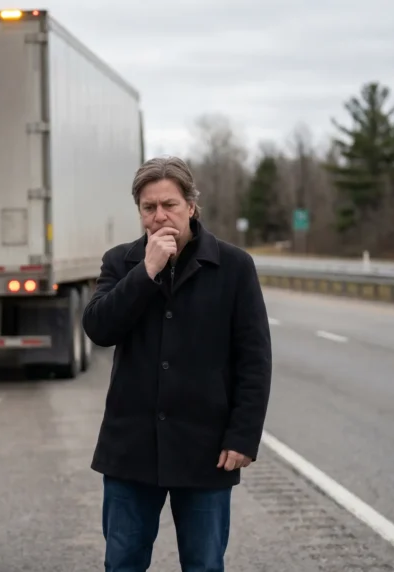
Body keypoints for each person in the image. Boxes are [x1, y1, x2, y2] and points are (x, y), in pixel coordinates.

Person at [82, 156, 272, 572]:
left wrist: (243, 435)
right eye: (149, 208)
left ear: (191, 206)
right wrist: (145, 272)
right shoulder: (121, 262)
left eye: (169, 204)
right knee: (123, 562)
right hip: (131, 448)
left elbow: (254, 360)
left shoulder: (234, 266)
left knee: (204, 565)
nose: (159, 216)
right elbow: (99, 329)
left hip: (205, 449)